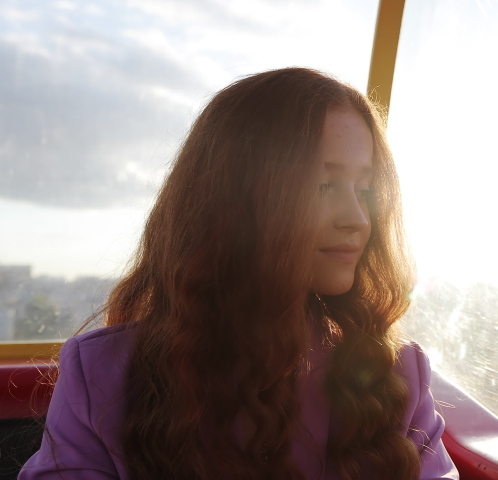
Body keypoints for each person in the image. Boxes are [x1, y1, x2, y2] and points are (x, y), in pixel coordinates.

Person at [19, 68, 459, 480]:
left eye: (365, 190)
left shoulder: (394, 372)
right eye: (323, 185)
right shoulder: (103, 375)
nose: (358, 219)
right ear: (235, 200)